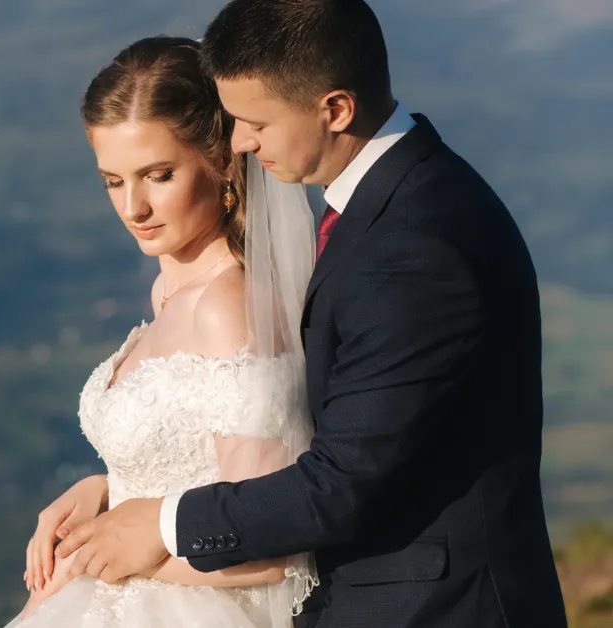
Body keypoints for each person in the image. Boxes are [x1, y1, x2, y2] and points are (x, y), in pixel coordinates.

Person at [52, 1, 568, 627]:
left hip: (433, 609)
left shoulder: (414, 243)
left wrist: (157, 523)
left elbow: (342, 481)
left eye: (256, 123)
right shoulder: (390, 203)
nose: (239, 143)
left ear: (335, 109)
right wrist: (116, 490)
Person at [7, 35, 319, 627]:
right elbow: (192, 463)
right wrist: (105, 490)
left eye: (158, 175)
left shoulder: (227, 307)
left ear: (223, 160)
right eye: (113, 181)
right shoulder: (169, 290)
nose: (134, 208)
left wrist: (111, 552)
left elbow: (276, 549)